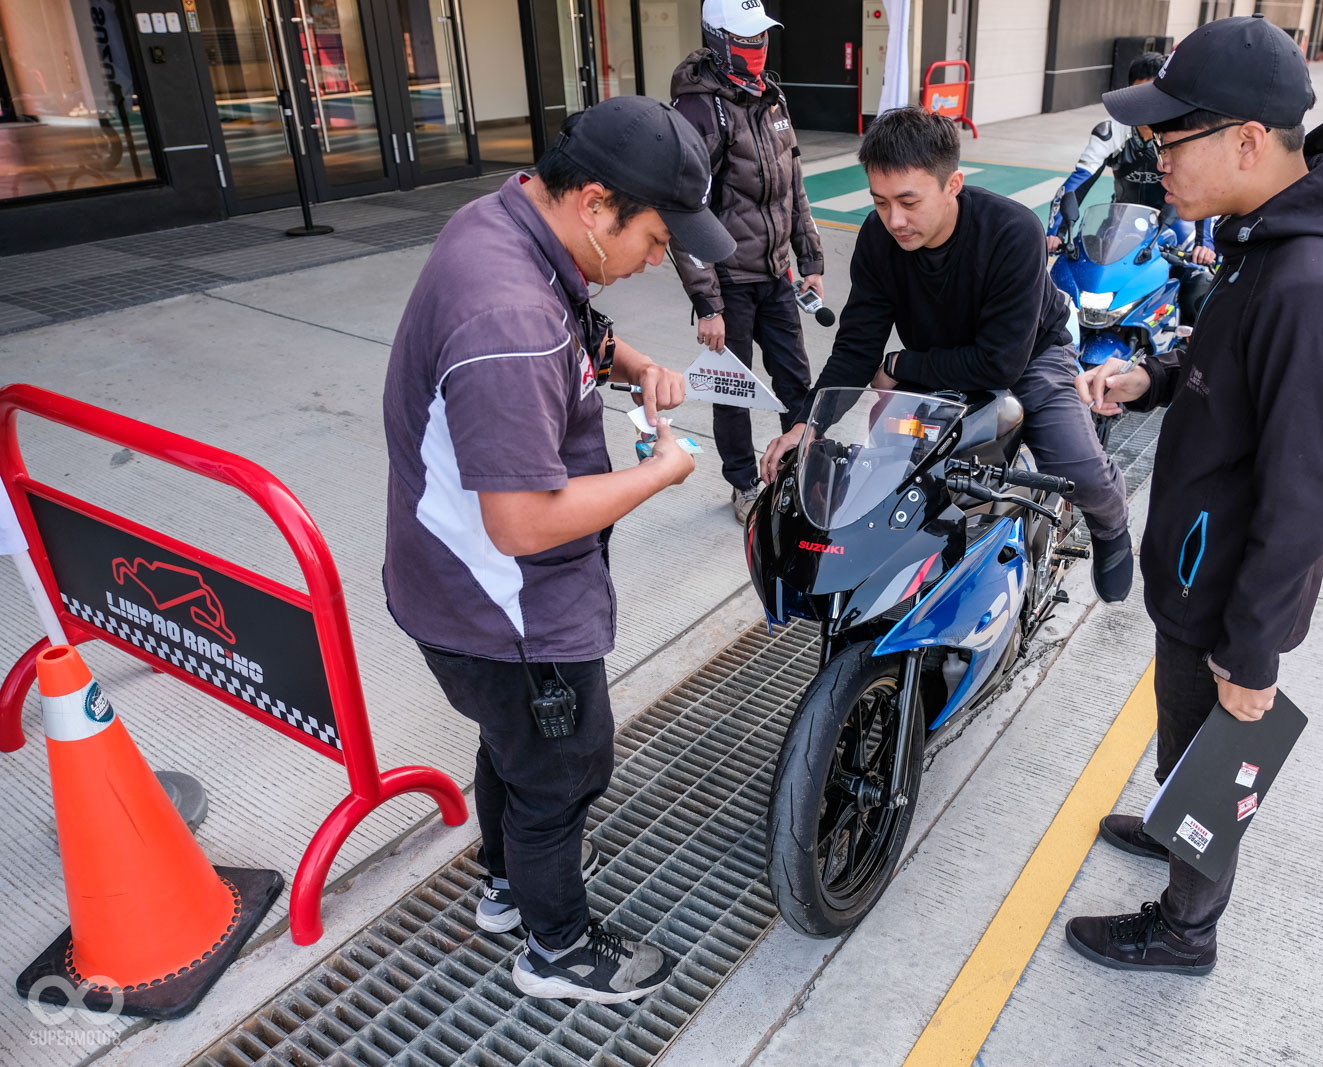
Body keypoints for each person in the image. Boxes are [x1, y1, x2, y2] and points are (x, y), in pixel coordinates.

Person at [1063, 13, 1323, 974]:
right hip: (1198, 567)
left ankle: (1184, 927)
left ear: (1247, 141)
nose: (1155, 157)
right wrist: (1154, 378)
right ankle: (1176, 818)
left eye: (1171, 138)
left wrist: (1253, 654)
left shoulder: (1309, 281)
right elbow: (1223, 353)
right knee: (1181, 731)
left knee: (1218, 755)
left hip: (1232, 596)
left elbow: (1309, 494)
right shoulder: (1262, 236)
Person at [382, 96, 735, 1003]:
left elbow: (576, 328)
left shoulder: (506, 226)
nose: (661, 260)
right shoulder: (506, 315)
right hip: (505, 603)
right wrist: (664, 470)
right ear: (593, 203)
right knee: (564, 768)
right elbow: (524, 522)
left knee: (513, 748)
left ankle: (506, 888)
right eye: (657, 238)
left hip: (456, 591)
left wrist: (637, 363)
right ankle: (557, 949)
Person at [760, 107, 1135, 604]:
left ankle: (1113, 528)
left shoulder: (1013, 231)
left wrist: (899, 366)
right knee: (889, 480)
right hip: (938, 367)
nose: (894, 220)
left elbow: (1000, 365)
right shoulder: (878, 238)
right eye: (880, 202)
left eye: (909, 202)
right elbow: (856, 346)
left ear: (953, 183)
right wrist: (807, 427)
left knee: (1079, 471)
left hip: (1028, 357)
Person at [670, 0, 825, 526]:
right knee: (733, 392)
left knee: (796, 382)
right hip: (730, 282)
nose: (756, 48)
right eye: (745, 38)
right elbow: (686, 212)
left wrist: (811, 258)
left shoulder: (773, 98)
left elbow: (793, 189)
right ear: (717, 39)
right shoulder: (698, 111)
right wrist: (707, 304)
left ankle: (802, 468)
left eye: (761, 37)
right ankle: (742, 482)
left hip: (777, 275)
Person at [1045, 51, 1216, 323]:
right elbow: (1078, 181)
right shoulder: (1112, 131)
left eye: (1153, 93)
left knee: (1200, 277)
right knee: (1082, 266)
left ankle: (1187, 340)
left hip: (1176, 219)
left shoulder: (1181, 132)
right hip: (1122, 219)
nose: (1146, 103)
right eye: (1139, 93)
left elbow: (1202, 187)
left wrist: (1203, 243)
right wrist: (1055, 231)